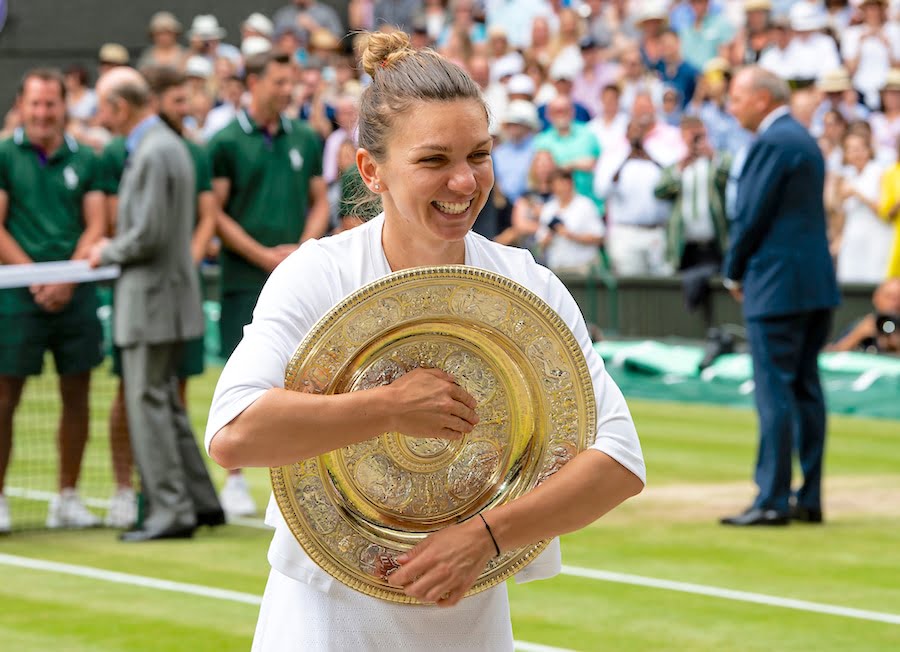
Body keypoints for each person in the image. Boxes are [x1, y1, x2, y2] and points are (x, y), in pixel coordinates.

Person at [205, 30, 644, 649]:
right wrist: (388, 409)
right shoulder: (317, 273)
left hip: (472, 626)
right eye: (434, 160)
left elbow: (620, 461)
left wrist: (485, 538)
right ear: (370, 170)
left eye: (480, 155)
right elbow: (233, 435)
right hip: (326, 628)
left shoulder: (527, 284)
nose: (464, 182)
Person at [88, 67, 221, 542]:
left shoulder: (152, 150)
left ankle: (169, 510)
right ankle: (202, 501)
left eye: (104, 107)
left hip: (150, 301)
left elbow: (146, 235)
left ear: (121, 108)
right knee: (163, 401)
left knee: (148, 402)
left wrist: (104, 250)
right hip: (167, 297)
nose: (99, 116)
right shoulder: (167, 145)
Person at [207, 51, 329, 516]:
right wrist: (262, 256)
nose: (287, 90)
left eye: (291, 82)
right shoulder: (224, 142)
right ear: (253, 83)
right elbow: (215, 213)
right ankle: (234, 480)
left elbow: (319, 199)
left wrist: (302, 249)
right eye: (279, 82)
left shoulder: (305, 137)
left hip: (298, 274)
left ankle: (296, 479)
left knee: (309, 379)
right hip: (245, 277)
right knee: (241, 379)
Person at [721, 66, 840, 527]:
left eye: (736, 98)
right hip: (814, 285)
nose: (731, 108)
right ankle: (808, 496)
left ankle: (772, 499)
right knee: (807, 391)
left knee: (776, 394)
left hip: (776, 286)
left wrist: (733, 272)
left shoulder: (773, 142)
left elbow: (751, 214)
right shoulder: (802, 138)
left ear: (762, 99)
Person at [0, 68, 106, 533]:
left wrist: (66, 278)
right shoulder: (4, 154)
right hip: (16, 297)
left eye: (51, 104)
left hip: (75, 295)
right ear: (22, 106)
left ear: (65, 106)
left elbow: (97, 224)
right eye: (36, 104)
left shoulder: (88, 158)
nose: (43, 113)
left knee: (77, 394)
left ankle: (67, 496)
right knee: (4, 400)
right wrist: (37, 279)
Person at [831, 130, 891, 284]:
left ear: (868, 150)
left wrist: (857, 193)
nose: (854, 154)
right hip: (853, 237)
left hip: (876, 236)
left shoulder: (879, 172)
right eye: (849, 149)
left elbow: (884, 210)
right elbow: (840, 211)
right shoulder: (848, 175)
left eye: (858, 149)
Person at [538, 168, 605, 275]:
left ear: (570, 184)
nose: (561, 189)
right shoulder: (548, 209)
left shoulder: (586, 205)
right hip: (557, 267)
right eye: (556, 185)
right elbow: (541, 244)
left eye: (563, 184)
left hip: (584, 267)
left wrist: (572, 236)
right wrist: (551, 233)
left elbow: (599, 237)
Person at [828, 278, 900, 353]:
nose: (895, 303)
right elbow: (831, 353)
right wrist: (857, 336)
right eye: (889, 297)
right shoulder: (865, 324)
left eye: (898, 298)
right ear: (876, 298)